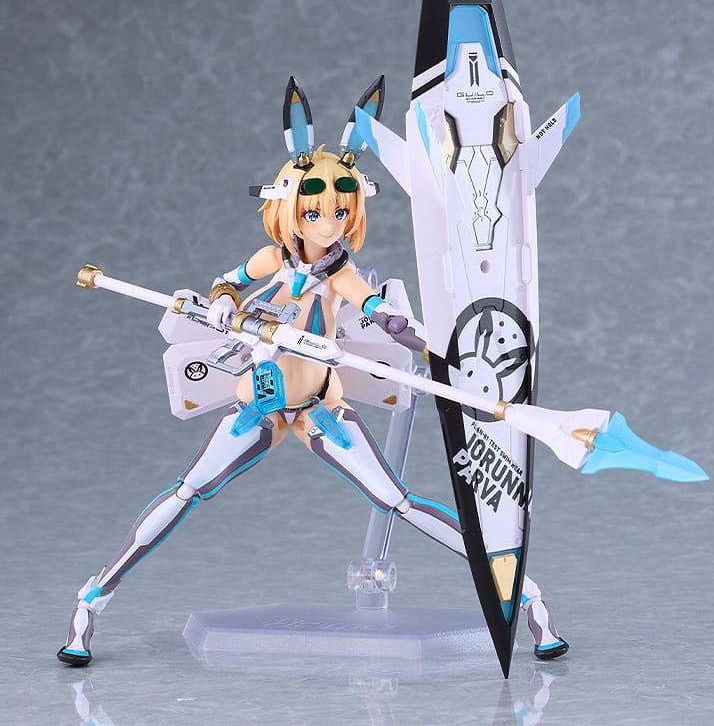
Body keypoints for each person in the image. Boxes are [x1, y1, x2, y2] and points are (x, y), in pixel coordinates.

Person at [58, 80, 567, 666]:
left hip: (323, 411)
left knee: (396, 501)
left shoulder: (340, 273)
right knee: (188, 489)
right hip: (257, 406)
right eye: (316, 210)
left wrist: (428, 349)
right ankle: (91, 601)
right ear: (289, 208)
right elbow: (226, 282)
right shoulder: (271, 260)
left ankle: (523, 594)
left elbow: (380, 312)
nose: (331, 221)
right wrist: (221, 301)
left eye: (342, 210)